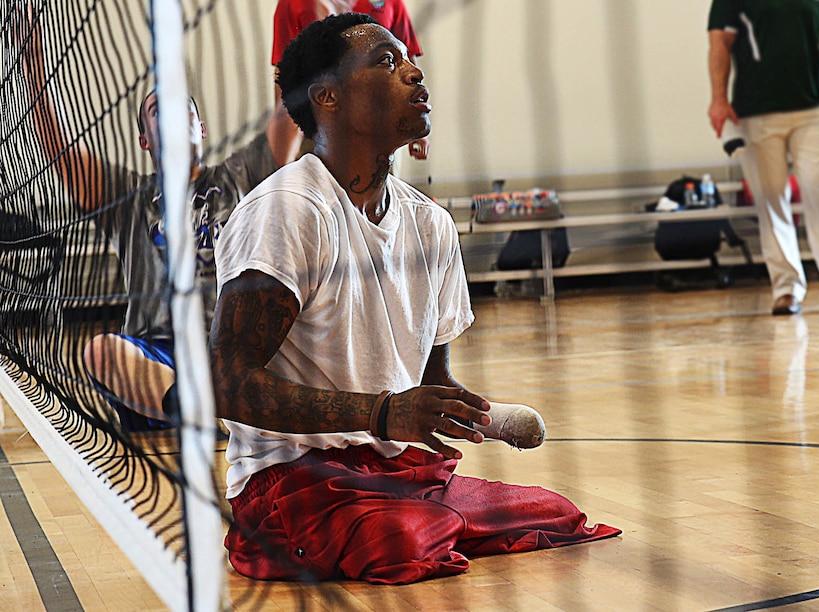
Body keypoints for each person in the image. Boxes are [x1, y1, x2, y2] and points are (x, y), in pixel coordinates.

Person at [209, 14, 619, 584]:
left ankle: (432, 514)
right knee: (399, 540)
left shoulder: (431, 224)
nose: (415, 72)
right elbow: (225, 383)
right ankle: (426, 520)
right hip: (290, 482)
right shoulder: (287, 210)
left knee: (558, 515)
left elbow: (431, 382)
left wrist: (470, 413)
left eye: (407, 59)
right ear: (326, 96)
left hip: (396, 472)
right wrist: (380, 413)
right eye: (386, 61)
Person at [20, 12, 279, 431]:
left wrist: (300, 33)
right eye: (160, 110)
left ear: (203, 128)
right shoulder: (128, 197)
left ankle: (208, 410)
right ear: (144, 140)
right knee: (101, 352)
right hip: (158, 358)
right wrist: (32, 62)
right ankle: (216, 412)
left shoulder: (238, 175)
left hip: (230, 352)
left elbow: (287, 116)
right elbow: (59, 150)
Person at [707, 0, 819, 316]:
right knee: (771, 198)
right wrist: (718, 99)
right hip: (756, 112)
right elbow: (719, 43)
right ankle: (786, 289)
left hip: (813, 111)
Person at [266, 0, 429, 167]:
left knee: (383, 190)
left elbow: (407, 60)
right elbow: (285, 73)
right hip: (319, 132)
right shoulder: (292, 3)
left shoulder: (391, 3)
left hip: (381, 130)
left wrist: (416, 118)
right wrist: (285, 143)